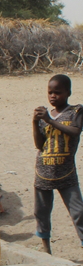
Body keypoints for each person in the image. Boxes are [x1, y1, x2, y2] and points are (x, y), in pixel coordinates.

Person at [32, 74, 83, 255]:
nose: (53, 96)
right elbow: (39, 145)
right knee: (42, 212)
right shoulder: (45, 115)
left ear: (68, 93)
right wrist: (35, 122)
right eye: (50, 92)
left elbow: (75, 132)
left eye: (58, 92)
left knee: (78, 212)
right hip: (44, 171)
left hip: (66, 173)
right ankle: (46, 249)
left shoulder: (75, 112)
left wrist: (49, 121)